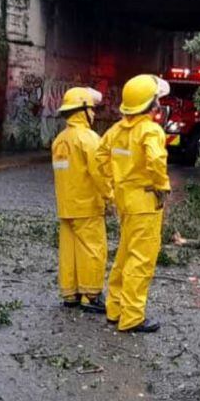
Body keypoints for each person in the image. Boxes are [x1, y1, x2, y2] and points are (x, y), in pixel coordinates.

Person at [100, 74, 171, 333]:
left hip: (125, 200)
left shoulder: (117, 130)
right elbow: (155, 160)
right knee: (141, 260)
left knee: (124, 255)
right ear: (151, 104)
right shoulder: (150, 130)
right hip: (145, 201)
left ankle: (115, 309)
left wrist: (110, 187)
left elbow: (100, 157)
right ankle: (132, 318)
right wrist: (162, 186)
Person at [51, 87, 109, 314]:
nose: (93, 114)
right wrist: (111, 196)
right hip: (87, 206)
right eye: (91, 109)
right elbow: (100, 173)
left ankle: (71, 294)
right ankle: (91, 295)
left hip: (66, 206)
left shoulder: (59, 140)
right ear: (82, 110)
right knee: (93, 249)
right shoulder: (89, 138)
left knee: (69, 251)